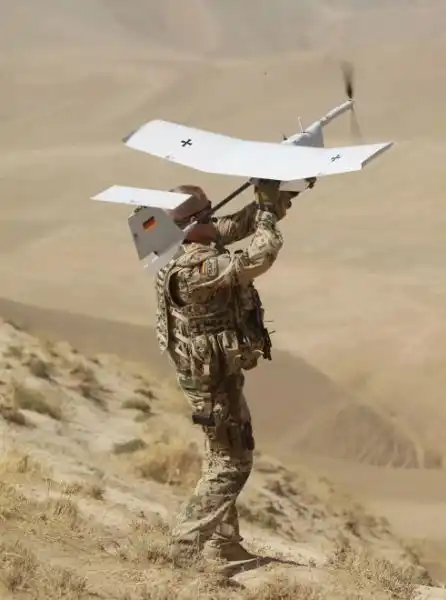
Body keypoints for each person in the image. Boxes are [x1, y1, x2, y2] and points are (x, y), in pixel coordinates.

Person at [153, 177, 304, 567]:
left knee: (222, 451)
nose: (215, 218)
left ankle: (223, 543)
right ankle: (184, 547)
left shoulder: (179, 242)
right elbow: (259, 256)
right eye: (207, 214)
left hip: (212, 370)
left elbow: (236, 224)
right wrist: (267, 211)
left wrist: (281, 193)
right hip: (210, 379)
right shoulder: (195, 268)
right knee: (232, 462)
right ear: (191, 224)